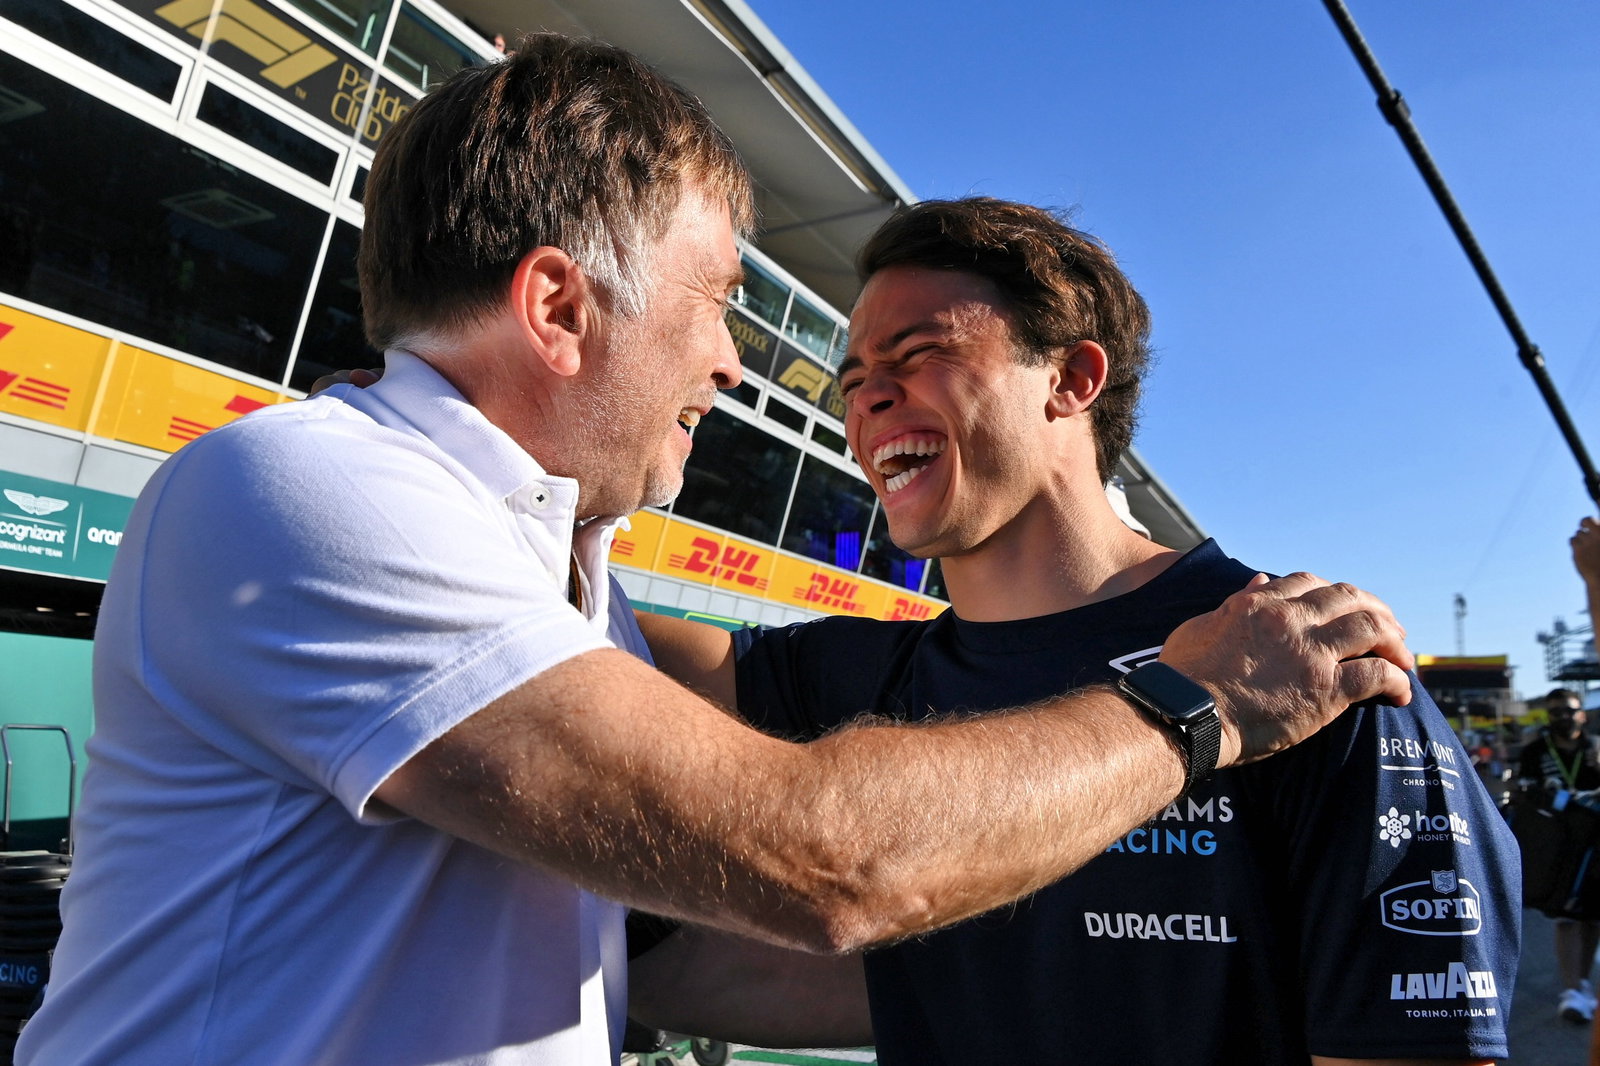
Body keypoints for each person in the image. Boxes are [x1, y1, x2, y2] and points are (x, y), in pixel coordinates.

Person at [17, 38, 1415, 1066]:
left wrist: (1179, 963)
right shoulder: (311, 486)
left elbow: (660, 950)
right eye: (720, 301)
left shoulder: (562, 570)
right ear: (561, 305)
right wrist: (1199, 700)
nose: (740, 367)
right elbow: (823, 862)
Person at [631, 198, 1520, 1065]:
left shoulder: (1299, 669)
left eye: (921, 351)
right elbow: (571, 637)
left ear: (1071, 379)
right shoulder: (852, 677)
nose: (869, 400)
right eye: (854, 380)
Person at [1518, 686, 1600, 1024]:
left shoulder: (1594, 747)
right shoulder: (1536, 750)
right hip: (1557, 843)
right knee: (1565, 914)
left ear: (1580, 712)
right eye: (1555, 712)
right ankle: (1571, 990)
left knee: (1593, 913)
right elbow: (1522, 790)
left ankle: (1581, 983)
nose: (1563, 717)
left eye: (1568, 710)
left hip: (1593, 840)